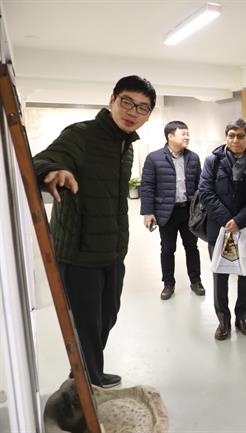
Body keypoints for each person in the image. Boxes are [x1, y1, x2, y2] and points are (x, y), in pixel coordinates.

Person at [33, 75, 156, 388]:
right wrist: (53, 170)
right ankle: (88, 387)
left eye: (142, 107)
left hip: (112, 251)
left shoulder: (125, 146)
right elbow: (44, 159)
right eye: (127, 102)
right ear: (112, 99)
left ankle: (85, 376)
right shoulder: (82, 134)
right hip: (78, 252)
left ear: (148, 114)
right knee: (86, 327)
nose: (132, 111)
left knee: (107, 316)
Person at [199, 118, 246, 340]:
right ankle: (223, 320)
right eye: (231, 135)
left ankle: (242, 317)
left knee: (245, 274)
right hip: (219, 229)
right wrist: (228, 220)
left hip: (245, 230)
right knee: (220, 275)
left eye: (241, 136)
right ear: (226, 137)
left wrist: (239, 221)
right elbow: (205, 192)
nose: (236, 140)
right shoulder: (213, 161)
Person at [140, 121, 204, 300]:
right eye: (183, 134)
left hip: (188, 212)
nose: (187, 137)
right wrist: (148, 212)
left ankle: (196, 281)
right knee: (168, 249)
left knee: (192, 247)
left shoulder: (193, 158)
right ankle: (168, 284)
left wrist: (201, 209)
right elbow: (147, 186)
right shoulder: (154, 158)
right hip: (166, 212)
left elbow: (199, 186)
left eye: (188, 133)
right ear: (170, 136)